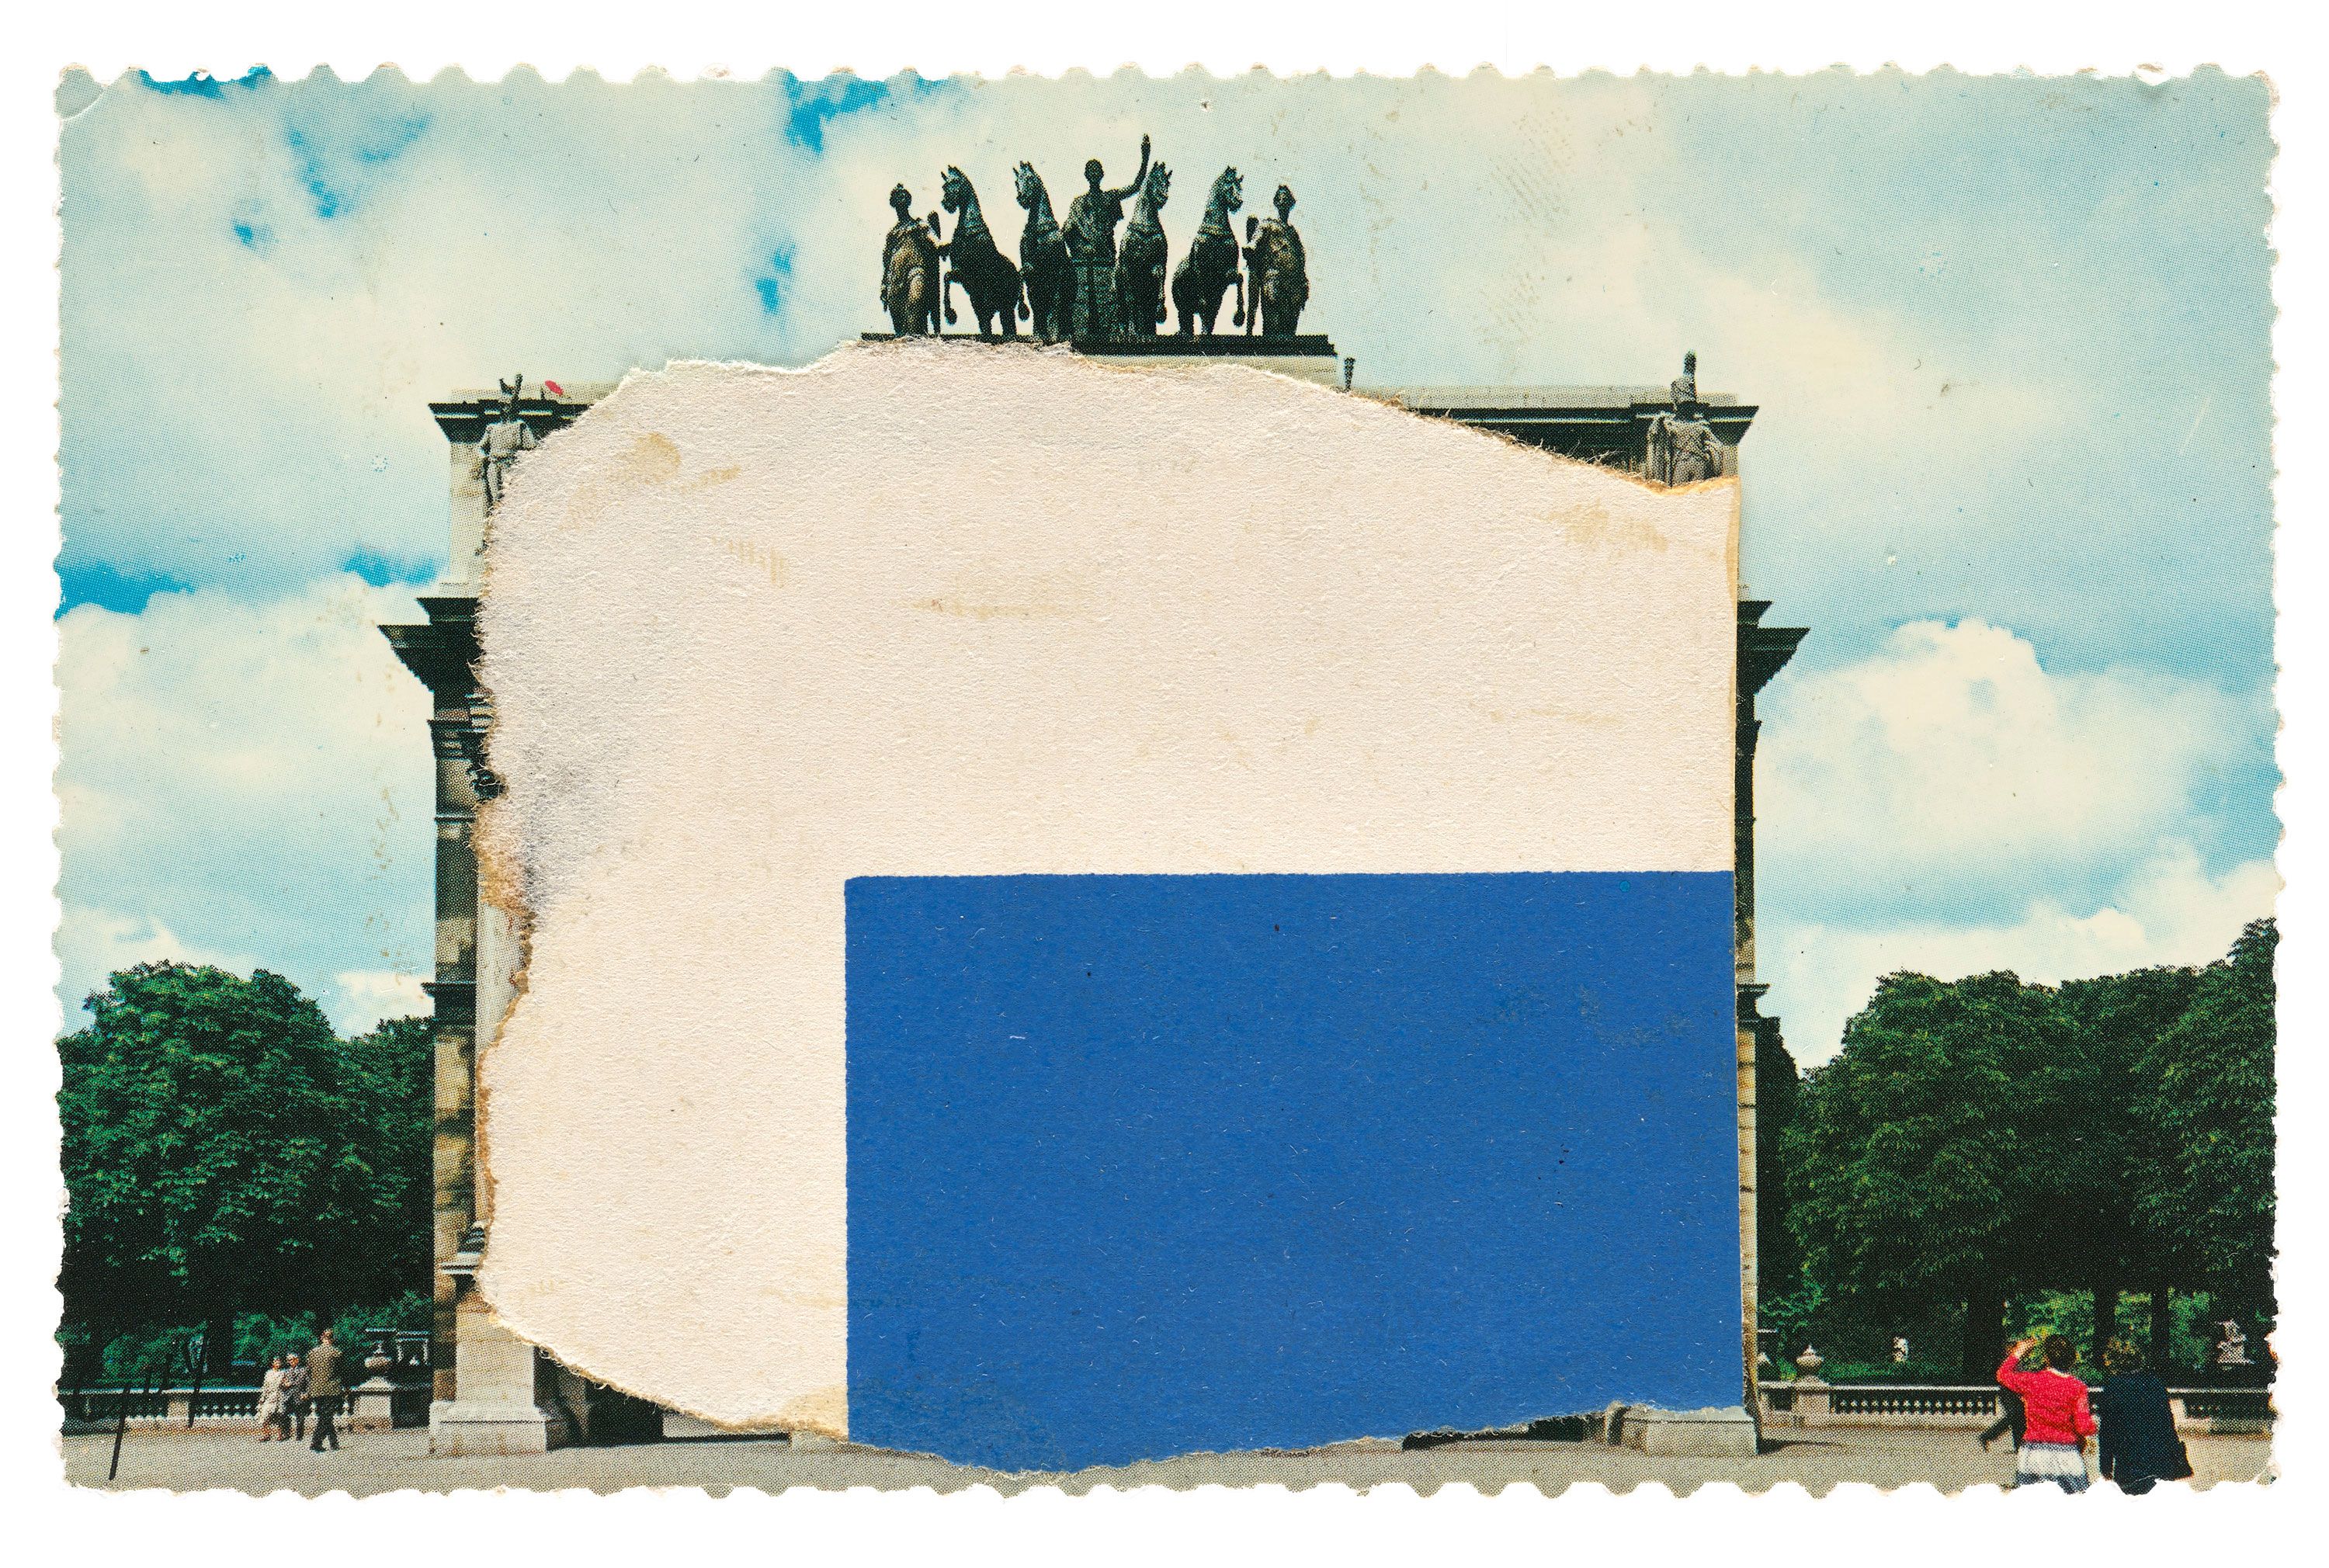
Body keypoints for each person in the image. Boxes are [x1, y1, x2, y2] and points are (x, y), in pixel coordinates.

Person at [1995, 1334, 2097, 1492]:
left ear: (2047, 1358)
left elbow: (2003, 1374)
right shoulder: (2078, 1387)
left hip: (2032, 1452)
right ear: (2072, 1359)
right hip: (2066, 1453)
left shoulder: (2033, 1381)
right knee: (2074, 1501)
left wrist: (2018, 1352)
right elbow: (2083, 1426)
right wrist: (2092, 1429)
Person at [2097, 1340, 2192, 1495]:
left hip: (2129, 1466)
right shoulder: (2156, 1383)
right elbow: (2168, 1425)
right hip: (2161, 1462)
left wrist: (2105, 1467)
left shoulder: (2113, 1387)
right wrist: (2177, 1457)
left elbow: (2107, 1432)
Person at [1976, 1337, 2027, 1452]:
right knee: (2012, 1416)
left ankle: (2019, 1445)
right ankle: (1987, 1436)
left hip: (2015, 1391)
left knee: (2019, 1417)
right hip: (2007, 1392)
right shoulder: (2007, 1361)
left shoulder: (2017, 1361)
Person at [306, 1329, 343, 1452]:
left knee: (325, 1416)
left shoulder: (312, 1353)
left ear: (321, 1338)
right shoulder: (336, 1353)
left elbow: (308, 1372)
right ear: (333, 1339)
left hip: (316, 1389)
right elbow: (341, 1371)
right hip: (331, 1389)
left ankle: (334, 1443)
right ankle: (316, 1443)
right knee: (326, 1417)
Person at [255, 1355, 288, 1441]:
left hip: (279, 1397)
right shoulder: (268, 1373)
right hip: (269, 1397)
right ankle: (266, 1434)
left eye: (279, 1362)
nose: (278, 1363)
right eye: (276, 1361)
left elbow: (286, 1384)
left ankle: (280, 1435)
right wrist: (262, 1398)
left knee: (279, 1416)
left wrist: (286, 1385)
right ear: (273, 1363)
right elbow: (265, 1387)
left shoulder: (283, 1373)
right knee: (264, 1416)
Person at [280, 1351, 311, 1442]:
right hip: (288, 1397)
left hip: (299, 1396)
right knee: (284, 1415)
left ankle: (299, 1435)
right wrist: (284, 1385)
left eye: (292, 1360)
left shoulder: (303, 1370)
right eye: (289, 1360)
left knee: (300, 1417)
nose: (291, 1362)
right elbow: (281, 1385)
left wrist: (306, 1393)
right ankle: (286, 1433)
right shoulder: (286, 1372)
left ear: (297, 1360)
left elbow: (309, 1384)